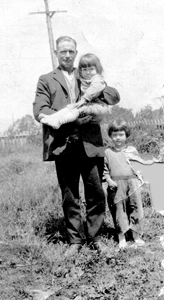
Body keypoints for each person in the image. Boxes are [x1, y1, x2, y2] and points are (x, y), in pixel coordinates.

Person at [33, 36, 120, 256]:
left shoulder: (87, 74)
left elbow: (111, 96)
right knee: (69, 194)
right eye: (63, 51)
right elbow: (40, 110)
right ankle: (75, 240)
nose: (67, 55)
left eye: (71, 51)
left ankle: (95, 236)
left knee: (95, 191)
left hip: (90, 144)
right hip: (64, 145)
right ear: (56, 53)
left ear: (76, 52)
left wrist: (102, 90)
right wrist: (72, 120)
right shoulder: (46, 79)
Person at [103, 119, 159, 249]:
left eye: (121, 134)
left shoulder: (132, 150)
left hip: (133, 183)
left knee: (135, 207)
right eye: (115, 135)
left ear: (126, 134)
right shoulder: (107, 152)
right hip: (116, 185)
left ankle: (136, 236)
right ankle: (121, 237)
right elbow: (104, 170)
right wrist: (109, 180)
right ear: (110, 135)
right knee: (118, 210)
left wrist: (151, 163)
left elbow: (139, 163)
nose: (118, 138)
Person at [38, 53, 109, 129]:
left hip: (99, 106)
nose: (88, 72)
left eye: (91, 69)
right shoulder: (85, 80)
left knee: (78, 110)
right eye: (85, 70)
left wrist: (84, 99)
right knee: (70, 107)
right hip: (90, 105)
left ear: (97, 69)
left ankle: (58, 121)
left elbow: (95, 88)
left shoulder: (97, 78)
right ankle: (52, 118)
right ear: (81, 71)